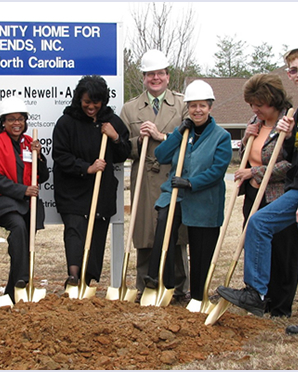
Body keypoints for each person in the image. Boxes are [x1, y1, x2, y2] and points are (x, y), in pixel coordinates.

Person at [217, 47, 298, 338]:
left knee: (259, 223)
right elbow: (295, 154)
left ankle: (255, 291)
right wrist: (289, 136)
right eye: (293, 69)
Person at [142, 80, 232, 306]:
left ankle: (199, 296)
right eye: (193, 106)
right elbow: (161, 156)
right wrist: (176, 134)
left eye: (202, 105)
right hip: (175, 194)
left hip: (203, 199)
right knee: (164, 222)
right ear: (188, 109)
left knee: (201, 246)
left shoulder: (221, 137)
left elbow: (217, 171)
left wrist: (190, 183)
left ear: (210, 107)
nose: (197, 110)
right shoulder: (183, 133)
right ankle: (162, 281)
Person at [119, 49, 190, 303]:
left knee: (176, 232)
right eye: (150, 74)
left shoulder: (183, 106)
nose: (155, 78)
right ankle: (145, 285)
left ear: (168, 76)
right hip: (145, 178)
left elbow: (191, 141)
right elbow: (123, 147)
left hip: (174, 176)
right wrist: (140, 140)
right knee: (146, 233)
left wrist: (163, 137)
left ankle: (180, 287)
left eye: (160, 73)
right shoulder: (129, 109)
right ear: (144, 77)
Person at [52, 75, 130, 287]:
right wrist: (87, 168)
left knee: (96, 235)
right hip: (73, 191)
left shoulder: (111, 121)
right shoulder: (66, 122)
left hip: (101, 190)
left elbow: (125, 152)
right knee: (75, 229)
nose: (91, 106)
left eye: (96, 102)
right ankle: (74, 276)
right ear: (79, 99)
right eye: (87, 101)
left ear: (103, 100)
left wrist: (114, 137)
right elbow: (60, 155)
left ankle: (87, 280)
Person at [235, 74, 298, 317]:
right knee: (255, 245)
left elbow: (291, 164)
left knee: (282, 249)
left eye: (259, 105)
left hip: (277, 194)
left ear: (273, 101)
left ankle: (280, 304)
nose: (255, 109)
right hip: (253, 192)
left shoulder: (289, 123)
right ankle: (258, 296)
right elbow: (247, 152)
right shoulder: (256, 121)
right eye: (252, 104)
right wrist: (246, 137)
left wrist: (256, 171)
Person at [0, 97, 49, 302]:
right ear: (3, 121)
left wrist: (39, 157)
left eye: (20, 119)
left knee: (23, 244)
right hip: (6, 201)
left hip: (29, 204)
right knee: (19, 229)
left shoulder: (31, 143)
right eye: (11, 119)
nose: (16, 123)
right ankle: (22, 279)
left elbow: (43, 176)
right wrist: (23, 190)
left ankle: (13, 292)